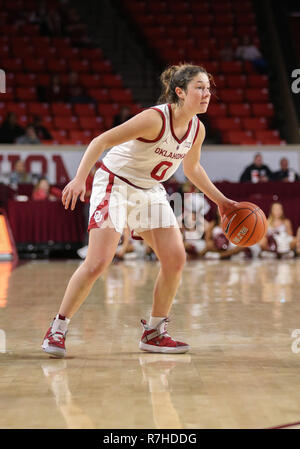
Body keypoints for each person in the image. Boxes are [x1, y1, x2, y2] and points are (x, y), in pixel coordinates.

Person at [41, 63, 237, 358]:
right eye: (200, 87)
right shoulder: (155, 118)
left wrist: (223, 202)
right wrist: (80, 178)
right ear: (180, 92)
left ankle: (154, 332)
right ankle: (58, 327)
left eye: (209, 88)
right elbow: (101, 141)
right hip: (115, 183)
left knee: (175, 258)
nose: (207, 93)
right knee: (97, 263)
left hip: (149, 190)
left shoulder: (197, 129)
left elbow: (192, 168)